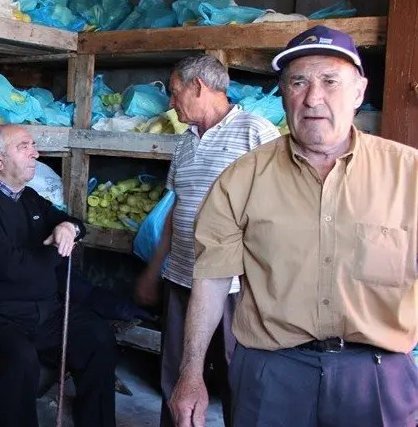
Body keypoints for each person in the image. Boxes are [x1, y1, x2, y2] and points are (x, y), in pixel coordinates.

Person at [170, 25, 418, 427]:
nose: (313, 97)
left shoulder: (409, 174)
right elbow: (213, 279)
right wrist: (191, 373)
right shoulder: (242, 177)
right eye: (298, 82)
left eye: (330, 81)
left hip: (376, 376)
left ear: (359, 92)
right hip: (271, 373)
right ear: (283, 94)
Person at [135, 54, 280, 427]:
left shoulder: (256, 131)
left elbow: (277, 214)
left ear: (197, 87)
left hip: (234, 288)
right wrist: (155, 271)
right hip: (181, 278)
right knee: (178, 376)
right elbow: (175, 209)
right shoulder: (184, 142)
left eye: (173, 92)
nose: (170, 102)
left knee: (239, 379)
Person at [0, 124, 117, 427]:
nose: (36, 153)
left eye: (33, 145)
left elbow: (72, 222)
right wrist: (58, 249)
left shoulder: (27, 197)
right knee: (20, 358)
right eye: (24, 146)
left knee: (98, 337)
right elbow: (13, 268)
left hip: (39, 308)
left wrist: (67, 228)